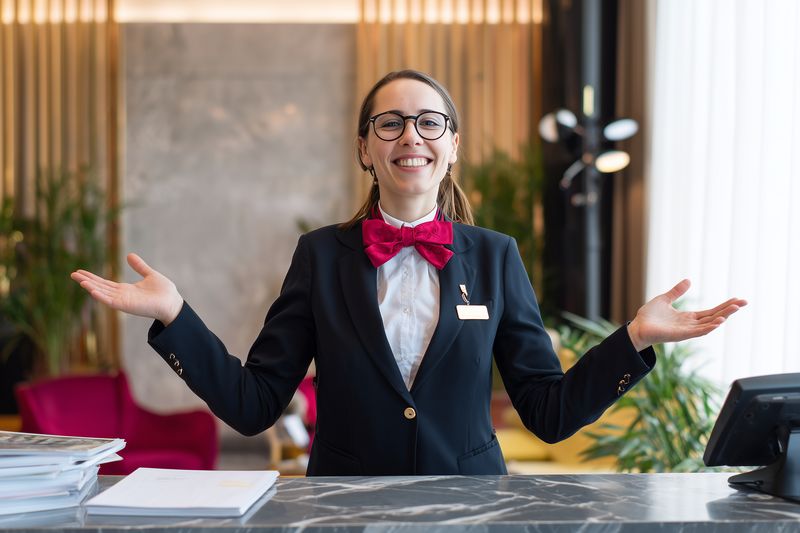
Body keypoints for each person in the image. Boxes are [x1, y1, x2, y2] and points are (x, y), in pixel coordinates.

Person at [72, 70, 746, 476]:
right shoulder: (320, 255)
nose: (409, 137)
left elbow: (547, 411)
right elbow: (254, 404)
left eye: (429, 122)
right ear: (365, 147)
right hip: (345, 505)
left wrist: (632, 338)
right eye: (389, 123)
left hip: (469, 507)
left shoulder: (496, 255)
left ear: (452, 146)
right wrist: (174, 316)